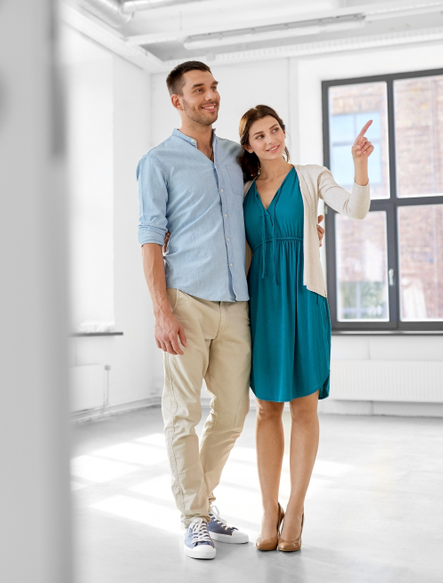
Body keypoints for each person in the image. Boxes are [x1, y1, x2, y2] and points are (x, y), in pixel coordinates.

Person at [135, 63, 325, 560]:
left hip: (238, 302)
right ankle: (195, 517)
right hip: (186, 300)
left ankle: (203, 502)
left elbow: (278, 193)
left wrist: (309, 226)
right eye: (199, 90)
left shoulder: (234, 157)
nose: (211, 96)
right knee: (182, 413)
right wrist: (161, 311)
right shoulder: (158, 162)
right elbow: (151, 239)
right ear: (178, 101)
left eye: (214, 87)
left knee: (235, 411)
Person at [237, 104, 372, 554]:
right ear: (249, 145)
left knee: (305, 408)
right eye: (260, 135)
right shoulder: (242, 191)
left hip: (305, 299)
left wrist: (359, 163)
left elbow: (354, 209)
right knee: (267, 410)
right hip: (263, 306)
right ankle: (266, 508)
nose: (271, 139)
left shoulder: (312, 176)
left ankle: (295, 507)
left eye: (275, 130)